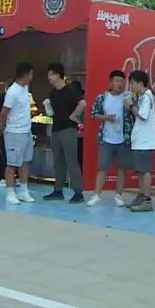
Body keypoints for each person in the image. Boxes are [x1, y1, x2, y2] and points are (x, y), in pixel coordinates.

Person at [87, 70, 133, 207]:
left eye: (122, 82)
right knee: (102, 168)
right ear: (111, 83)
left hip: (124, 138)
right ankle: (96, 195)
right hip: (106, 138)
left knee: (122, 168)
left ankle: (118, 195)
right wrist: (106, 118)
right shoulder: (102, 98)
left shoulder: (127, 97)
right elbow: (94, 114)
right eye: (117, 81)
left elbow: (135, 113)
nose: (120, 84)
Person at [43, 63, 87, 203]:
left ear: (58, 75)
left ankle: (78, 192)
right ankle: (58, 190)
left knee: (71, 161)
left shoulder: (70, 90)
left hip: (68, 130)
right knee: (58, 162)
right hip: (56, 129)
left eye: (50, 74)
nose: (48, 77)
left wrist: (73, 116)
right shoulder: (53, 93)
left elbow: (83, 103)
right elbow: (52, 113)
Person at [1, 63, 37, 205]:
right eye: (31, 74)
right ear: (26, 75)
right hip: (14, 132)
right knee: (12, 164)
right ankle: (10, 193)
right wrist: (3, 128)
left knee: (25, 162)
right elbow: (4, 112)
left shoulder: (25, 89)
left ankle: (23, 190)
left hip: (26, 131)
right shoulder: (12, 91)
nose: (32, 77)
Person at [126, 70, 155, 213]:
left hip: (145, 141)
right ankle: (141, 196)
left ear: (140, 83)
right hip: (139, 140)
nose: (131, 86)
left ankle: (147, 200)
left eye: (133, 83)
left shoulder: (147, 97)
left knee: (145, 170)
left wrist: (130, 106)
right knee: (140, 171)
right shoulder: (142, 97)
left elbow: (143, 115)